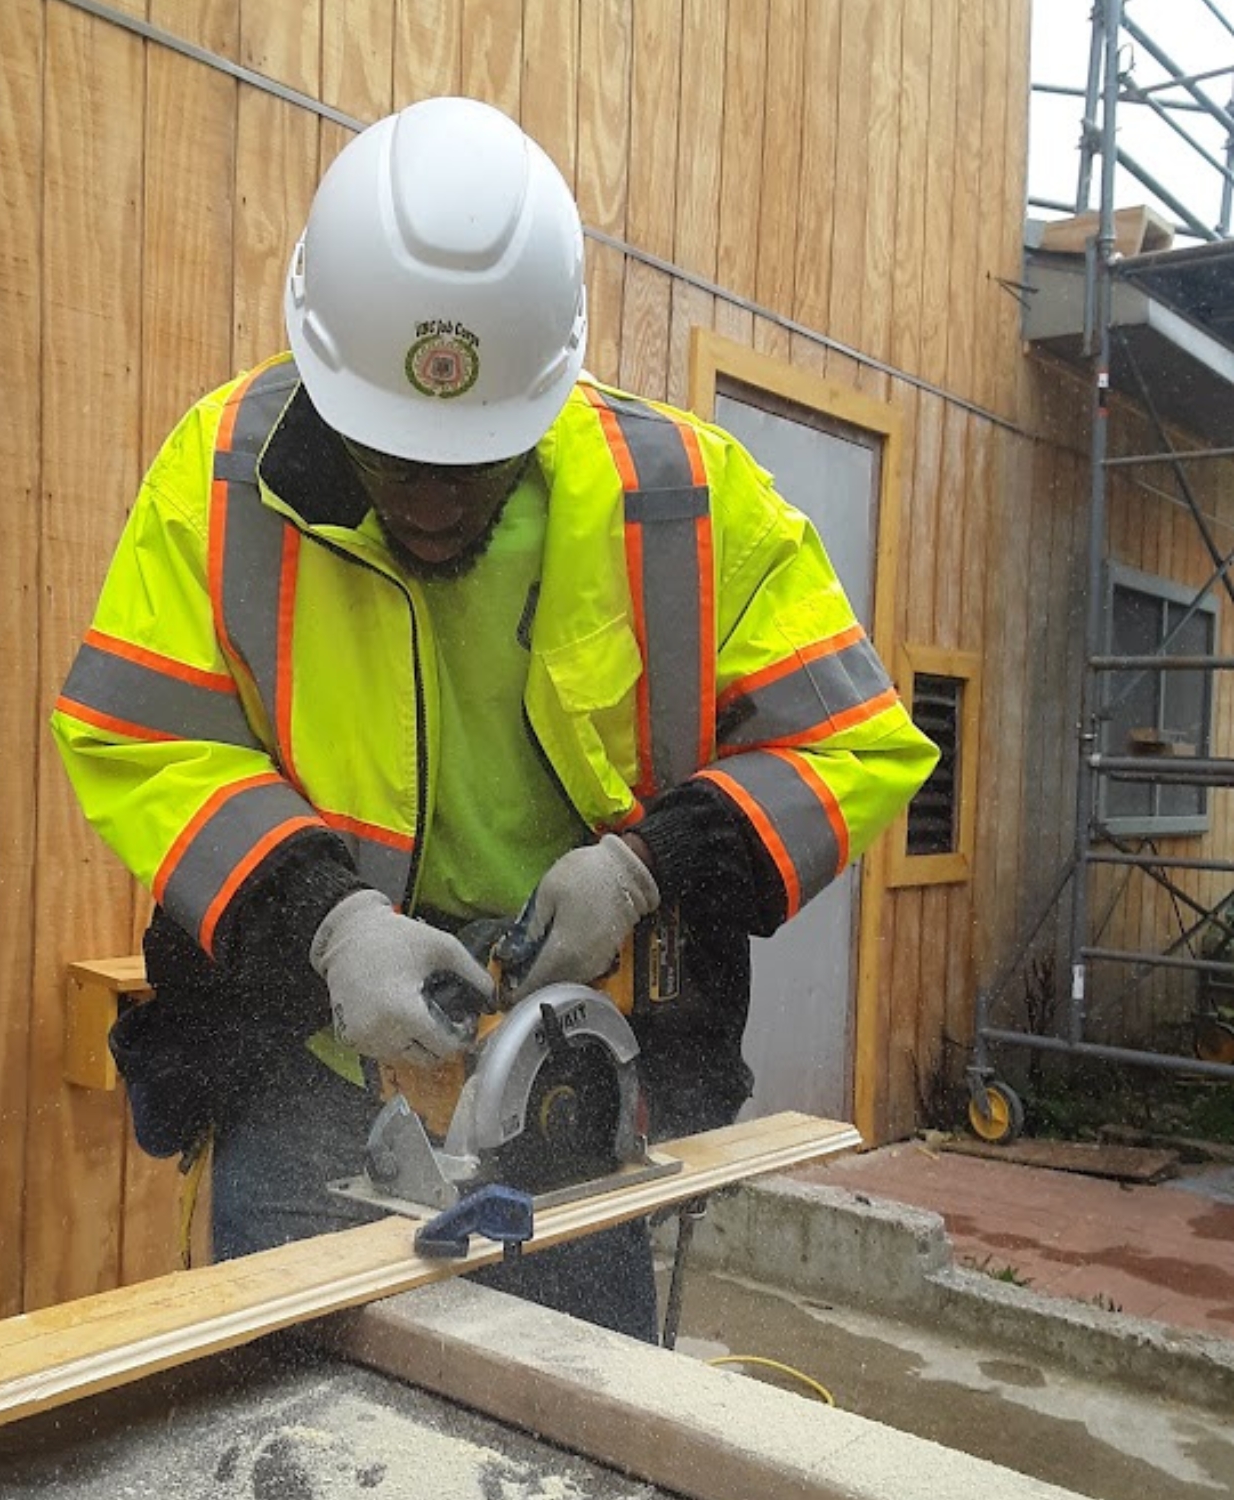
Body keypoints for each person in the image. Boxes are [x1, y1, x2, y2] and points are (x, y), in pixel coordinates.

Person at [52, 96, 938, 1342]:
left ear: (548, 388)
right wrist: (329, 922)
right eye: (390, 454)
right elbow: (141, 734)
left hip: (574, 1093)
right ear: (325, 376)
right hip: (306, 1079)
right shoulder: (222, 481)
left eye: (471, 462)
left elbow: (855, 744)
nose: (427, 500)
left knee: (567, 1435)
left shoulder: (678, 500)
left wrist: (646, 869)